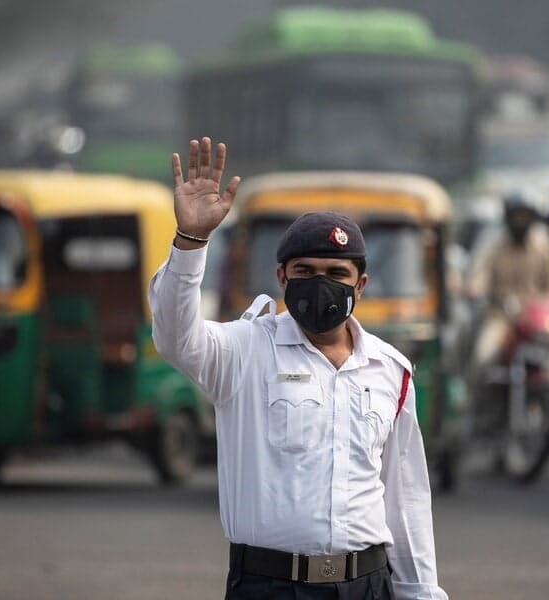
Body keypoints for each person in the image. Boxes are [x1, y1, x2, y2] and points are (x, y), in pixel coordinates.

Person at [148, 137, 447, 599]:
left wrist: (423, 593)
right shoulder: (242, 351)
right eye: (304, 272)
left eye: (336, 274)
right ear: (281, 279)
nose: (319, 284)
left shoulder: (391, 370)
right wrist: (191, 241)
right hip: (270, 588)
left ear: (361, 284)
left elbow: (405, 498)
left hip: (368, 587)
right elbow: (173, 336)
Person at [468, 190, 549, 480]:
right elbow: (479, 278)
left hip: (536, 326)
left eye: (526, 216)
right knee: (481, 359)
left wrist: (544, 314)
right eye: (516, 216)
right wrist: (476, 288)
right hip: (501, 318)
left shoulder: (543, 249)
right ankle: (474, 426)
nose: (521, 222)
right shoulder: (495, 248)